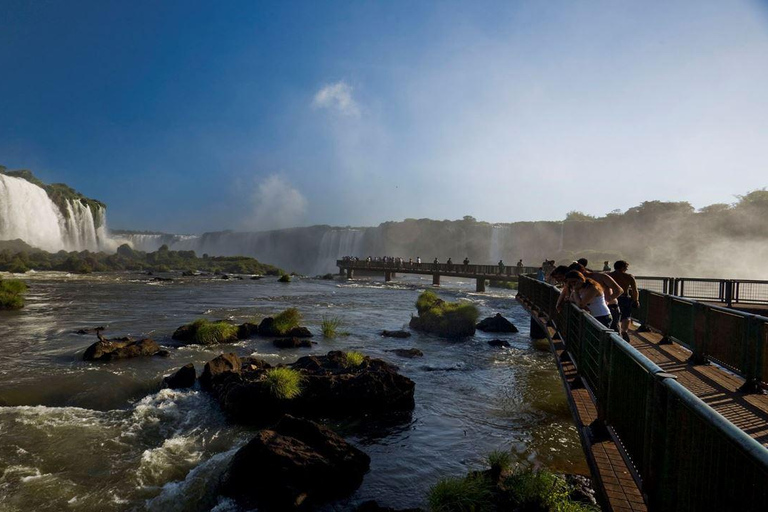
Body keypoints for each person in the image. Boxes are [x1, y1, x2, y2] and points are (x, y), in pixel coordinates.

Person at [608, 260, 640, 342]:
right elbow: (634, 290)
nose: (626, 269)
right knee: (626, 316)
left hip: (612, 298)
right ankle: (624, 331)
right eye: (626, 268)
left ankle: (615, 331)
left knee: (614, 315)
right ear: (622, 267)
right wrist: (636, 300)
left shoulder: (609, 276)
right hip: (625, 298)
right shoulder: (629, 276)